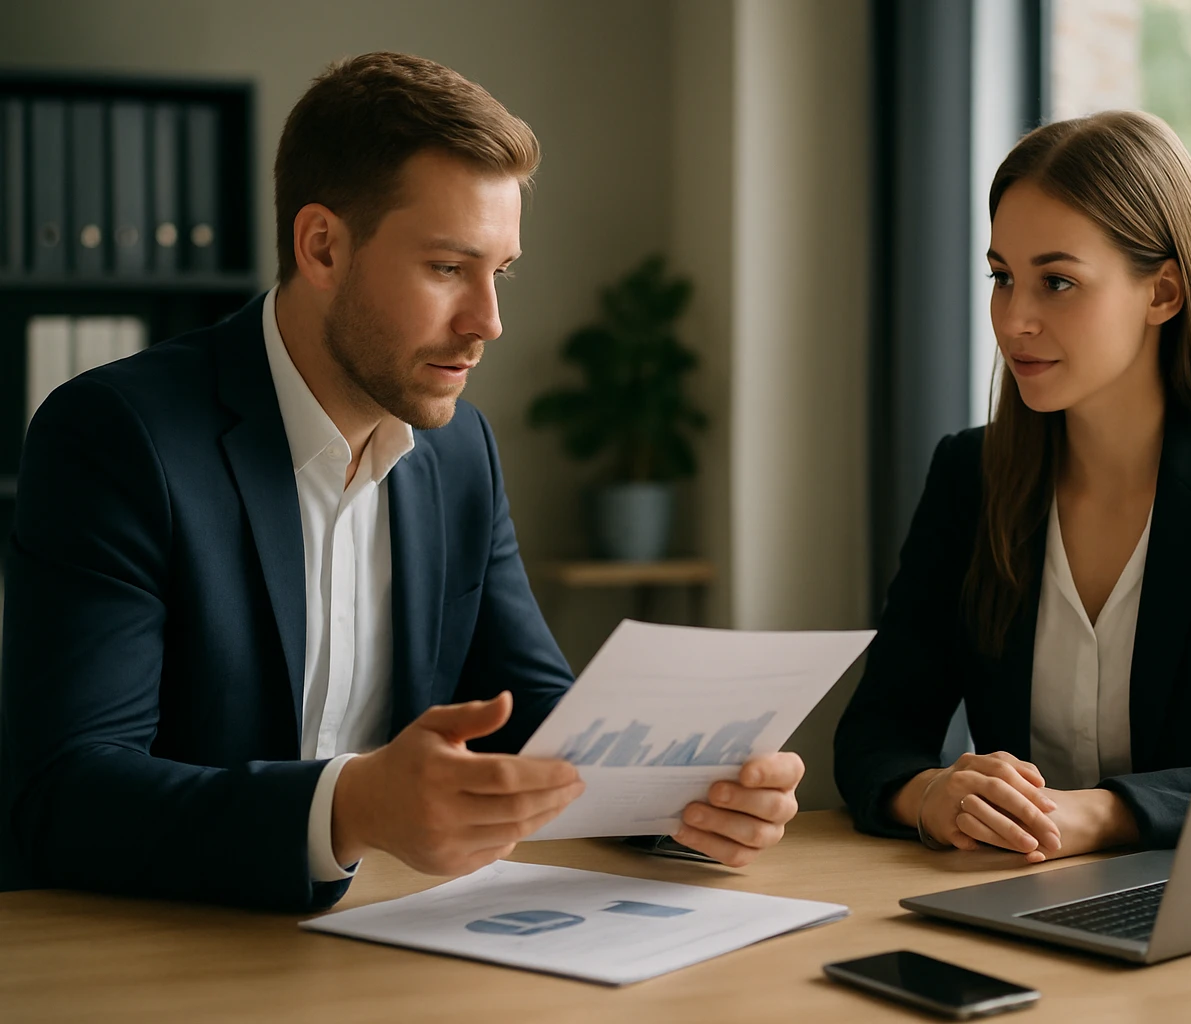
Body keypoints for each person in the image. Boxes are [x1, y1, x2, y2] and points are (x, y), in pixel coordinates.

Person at [0, 52, 802, 912]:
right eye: (449, 268)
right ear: (322, 247)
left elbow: (531, 713)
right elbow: (65, 793)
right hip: (165, 944)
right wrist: (348, 809)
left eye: (500, 272)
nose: (489, 321)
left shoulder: (460, 453)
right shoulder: (118, 436)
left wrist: (683, 797)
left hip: (384, 935)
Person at [834, 111, 1191, 862]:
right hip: (1009, 891)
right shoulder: (970, 477)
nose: (1014, 320)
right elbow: (877, 732)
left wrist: (1099, 815)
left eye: (1057, 282)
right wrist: (932, 795)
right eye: (1002, 278)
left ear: (1164, 293)